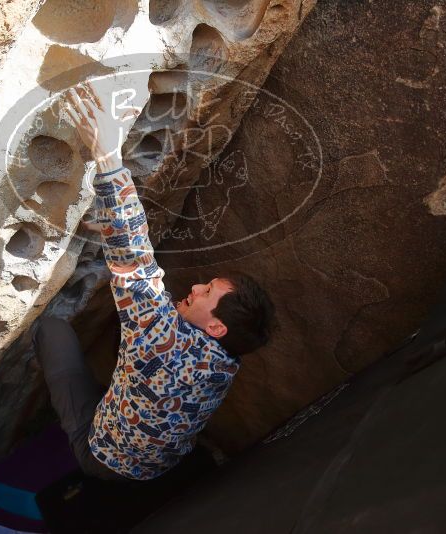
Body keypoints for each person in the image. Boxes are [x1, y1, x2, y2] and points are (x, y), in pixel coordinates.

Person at [33, 81, 274, 482]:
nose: (196, 288)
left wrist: (107, 155)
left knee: (51, 328)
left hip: (104, 457)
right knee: (119, 363)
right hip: (156, 464)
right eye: (207, 284)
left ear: (216, 327)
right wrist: (113, 230)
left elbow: (137, 262)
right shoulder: (225, 363)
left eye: (208, 293)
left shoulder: (162, 341)